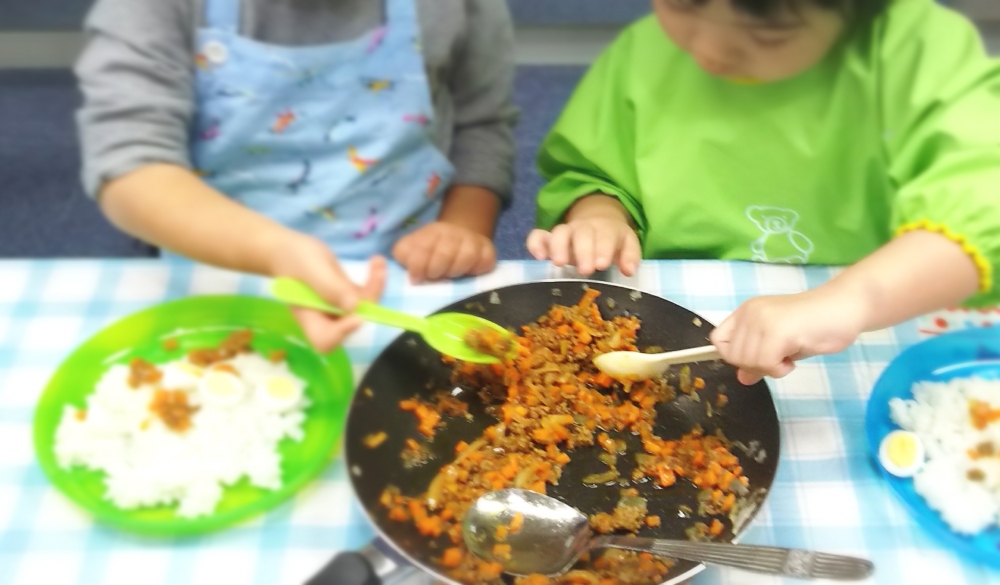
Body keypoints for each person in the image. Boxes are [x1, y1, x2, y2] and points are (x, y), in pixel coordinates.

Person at [527, 0, 1000, 385]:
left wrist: (849, 299)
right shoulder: (641, 54)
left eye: (771, 35)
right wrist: (601, 214)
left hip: (879, 329)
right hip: (671, 314)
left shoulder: (916, 53)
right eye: (682, 4)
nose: (710, 50)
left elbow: (983, 200)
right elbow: (594, 170)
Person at [75, 0, 517, 351]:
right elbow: (131, 164)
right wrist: (275, 252)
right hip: (217, 268)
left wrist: (459, 230)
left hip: (406, 273)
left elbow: (481, 124)